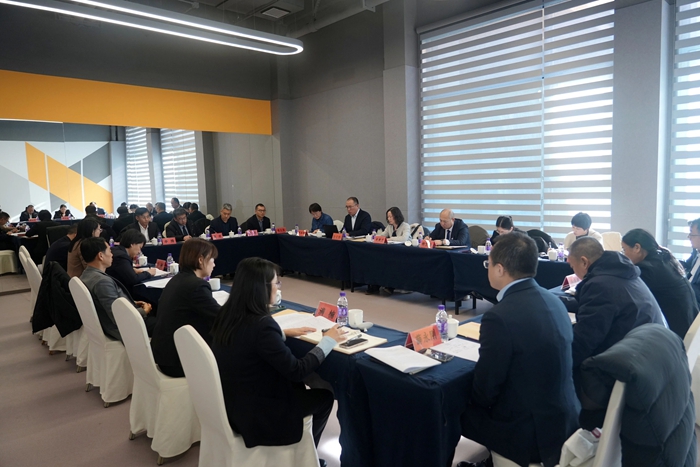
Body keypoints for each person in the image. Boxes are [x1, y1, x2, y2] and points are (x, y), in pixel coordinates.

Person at [458, 233, 578, 467]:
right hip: (565, 419)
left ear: (500, 269)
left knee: (450, 408)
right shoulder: (554, 300)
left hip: (527, 433)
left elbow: (485, 391)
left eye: (488, 264)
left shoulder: (499, 316)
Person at [210, 257, 345, 452]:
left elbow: (248, 338)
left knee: (297, 385)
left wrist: (280, 333)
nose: (278, 288)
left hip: (233, 401)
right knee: (324, 397)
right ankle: (307, 458)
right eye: (276, 283)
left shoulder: (227, 313)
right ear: (261, 288)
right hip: (257, 413)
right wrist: (328, 341)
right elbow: (297, 371)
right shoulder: (262, 325)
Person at [567, 237, 666, 389]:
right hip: (650, 359)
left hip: (626, 373)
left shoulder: (599, 285)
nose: (574, 272)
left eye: (573, 267)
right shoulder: (622, 272)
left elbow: (584, 342)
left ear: (584, 262)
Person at [151, 238, 221, 377]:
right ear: (201, 260)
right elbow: (221, 317)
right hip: (178, 361)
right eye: (212, 259)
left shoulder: (178, 279)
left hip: (164, 354)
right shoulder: (196, 286)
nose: (214, 264)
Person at [622, 228, 699, 338]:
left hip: (676, 333)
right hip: (687, 325)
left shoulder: (647, 269)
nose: (623, 255)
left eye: (624, 250)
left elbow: (629, 298)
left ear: (637, 248)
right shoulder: (662, 259)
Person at [80, 237, 155, 341]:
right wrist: (144, 311)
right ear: (101, 256)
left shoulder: (86, 275)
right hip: (124, 328)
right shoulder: (102, 282)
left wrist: (132, 302)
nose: (112, 255)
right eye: (109, 251)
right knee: (165, 324)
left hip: (111, 322)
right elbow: (118, 317)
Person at [105, 229, 156, 296]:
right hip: (120, 293)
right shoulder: (122, 257)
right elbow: (133, 279)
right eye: (139, 247)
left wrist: (132, 270)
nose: (139, 252)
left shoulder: (116, 250)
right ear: (132, 244)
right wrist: (148, 273)